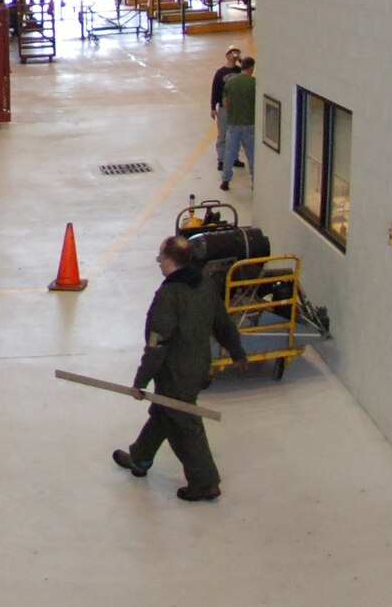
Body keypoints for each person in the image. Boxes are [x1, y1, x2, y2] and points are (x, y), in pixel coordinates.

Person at [113, 235, 246, 501]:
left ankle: (205, 482)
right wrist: (237, 352)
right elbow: (223, 323)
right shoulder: (205, 285)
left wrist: (140, 381)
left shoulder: (168, 296)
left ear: (170, 260)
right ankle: (140, 458)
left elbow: (156, 345)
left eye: (160, 258)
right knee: (164, 412)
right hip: (198, 368)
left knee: (185, 426)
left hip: (175, 373)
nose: (159, 263)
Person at [220, 56, 257, 190]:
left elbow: (225, 102)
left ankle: (226, 180)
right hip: (249, 122)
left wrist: (231, 114)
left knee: (230, 152)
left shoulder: (231, 82)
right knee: (252, 153)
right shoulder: (254, 83)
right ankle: (255, 180)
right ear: (251, 67)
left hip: (233, 123)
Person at [208, 46, 242, 156]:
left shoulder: (239, 71)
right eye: (232, 53)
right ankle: (221, 158)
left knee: (236, 134)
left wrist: (240, 60)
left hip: (237, 106)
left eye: (236, 53)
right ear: (227, 56)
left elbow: (248, 69)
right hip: (224, 107)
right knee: (222, 134)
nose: (234, 55)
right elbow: (215, 90)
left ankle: (234, 156)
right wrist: (213, 107)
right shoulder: (220, 72)